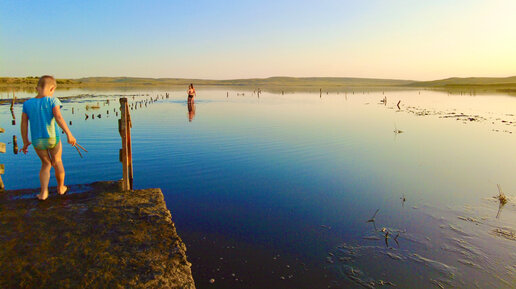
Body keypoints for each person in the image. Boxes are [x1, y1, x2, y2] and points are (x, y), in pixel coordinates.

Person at [20, 75, 76, 200]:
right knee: (57, 161)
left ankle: (43, 193)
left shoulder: (27, 104)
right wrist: (69, 134)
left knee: (45, 164)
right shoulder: (52, 101)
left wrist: (25, 141)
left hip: (37, 141)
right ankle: (61, 188)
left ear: (36, 88)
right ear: (52, 89)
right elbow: (58, 117)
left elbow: (24, 123)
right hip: (52, 138)